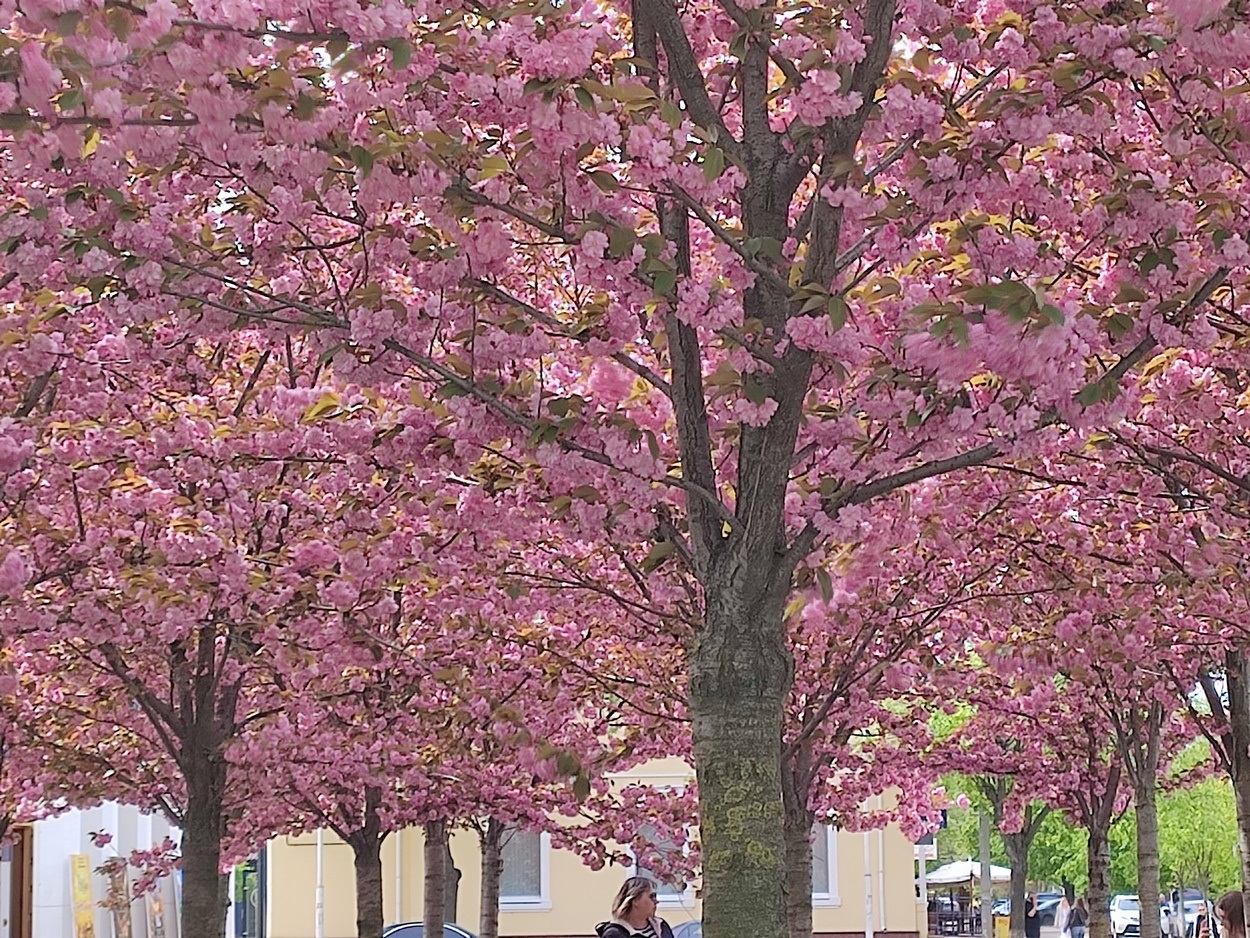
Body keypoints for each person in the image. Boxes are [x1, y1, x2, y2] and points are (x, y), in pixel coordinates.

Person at [596, 877, 676, 938]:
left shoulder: (661, 926)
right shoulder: (614, 934)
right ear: (635, 900)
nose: (656, 901)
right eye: (652, 896)